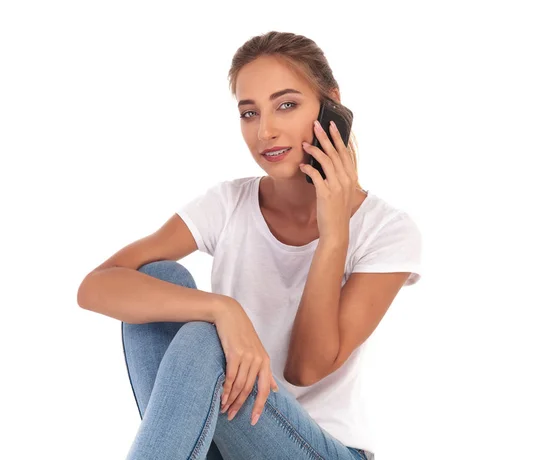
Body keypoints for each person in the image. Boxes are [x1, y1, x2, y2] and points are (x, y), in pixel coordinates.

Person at [77, 31, 422, 459]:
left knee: (205, 341)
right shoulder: (228, 203)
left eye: (287, 105)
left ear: (331, 104)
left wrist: (334, 236)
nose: (266, 131)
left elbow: (305, 369)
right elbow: (95, 287)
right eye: (249, 113)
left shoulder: (386, 230)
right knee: (160, 278)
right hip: (225, 440)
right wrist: (224, 310)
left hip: (319, 450)